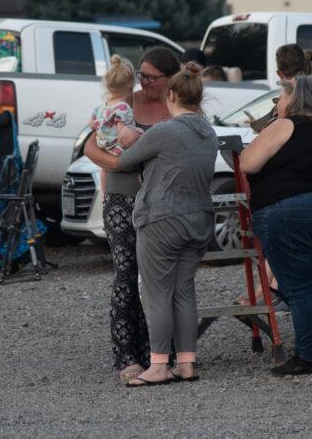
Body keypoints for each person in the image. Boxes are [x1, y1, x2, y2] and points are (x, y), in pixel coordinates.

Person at [98, 63, 218, 387]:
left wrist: (94, 149)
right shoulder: (209, 133)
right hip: (199, 220)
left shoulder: (165, 131)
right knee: (184, 291)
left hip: (162, 221)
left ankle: (159, 365)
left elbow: (124, 161)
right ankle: (187, 363)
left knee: (156, 294)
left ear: (173, 95)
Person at [240, 75, 312, 376]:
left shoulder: (285, 125)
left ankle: (306, 358)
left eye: (281, 96)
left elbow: (247, 163)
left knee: (297, 287)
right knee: (302, 284)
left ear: (295, 98)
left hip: (288, 213)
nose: (278, 102)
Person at [83, 47, 181, 382]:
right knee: (126, 271)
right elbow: (90, 147)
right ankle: (127, 355)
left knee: (159, 277)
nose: (146, 82)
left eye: (153, 77)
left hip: (163, 204)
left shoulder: (177, 107)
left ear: (171, 79)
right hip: (122, 198)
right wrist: (121, 164)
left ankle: (162, 353)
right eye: (143, 75)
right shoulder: (124, 101)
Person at [91, 55, 141, 156]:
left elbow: (92, 125)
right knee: (141, 133)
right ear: (130, 86)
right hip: (117, 147)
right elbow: (121, 132)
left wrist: (104, 130)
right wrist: (136, 132)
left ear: (108, 86)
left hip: (102, 145)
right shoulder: (123, 107)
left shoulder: (100, 108)